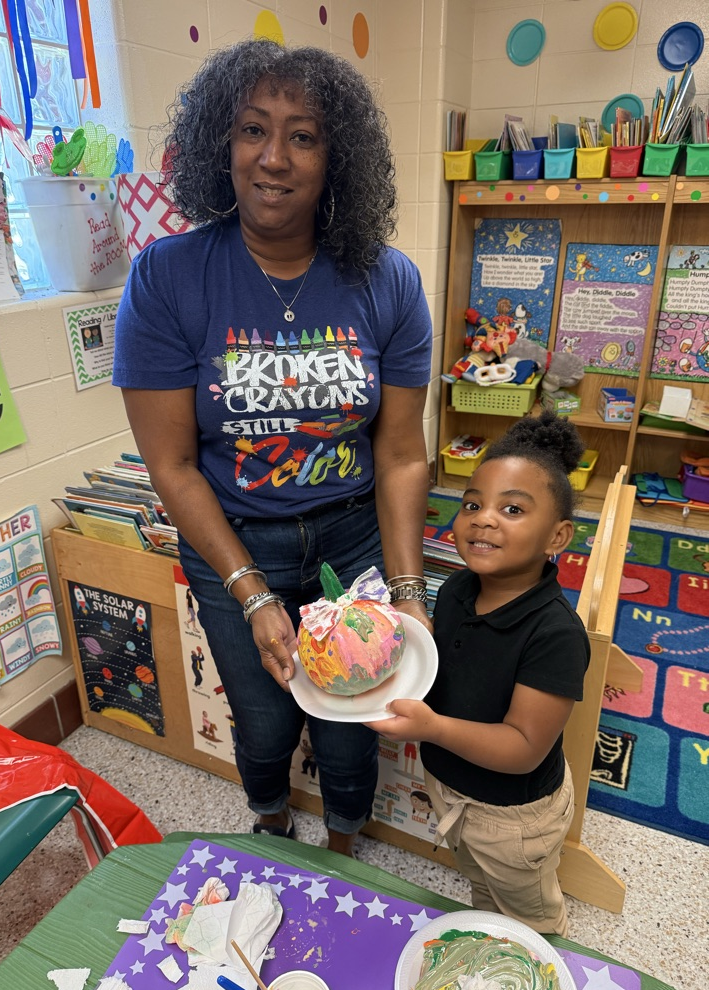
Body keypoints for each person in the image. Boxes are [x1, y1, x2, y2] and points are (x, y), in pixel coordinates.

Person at [113, 39, 433, 858]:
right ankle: (270, 820)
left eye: (304, 136)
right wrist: (252, 592)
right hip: (233, 543)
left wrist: (408, 591)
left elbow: (402, 453)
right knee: (264, 718)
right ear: (222, 144)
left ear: (338, 158)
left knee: (353, 720)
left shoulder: (388, 280)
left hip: (353, 539)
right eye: (253, 129)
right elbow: (171, 465)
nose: (274, 158)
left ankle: (345, 843)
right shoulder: (166, 278)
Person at [367, 412, 590, 934]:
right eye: (472, 504)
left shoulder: (555, 633)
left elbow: (524, 746)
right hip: (451, 788)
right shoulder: (454, 589)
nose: (483, 519)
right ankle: (491, 934)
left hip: (514, 818)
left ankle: (535, 960)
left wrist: (431, 728)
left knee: (528, 918)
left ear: (557, 536)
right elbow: (442, 672)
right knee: (483, 889)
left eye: (512, 509)